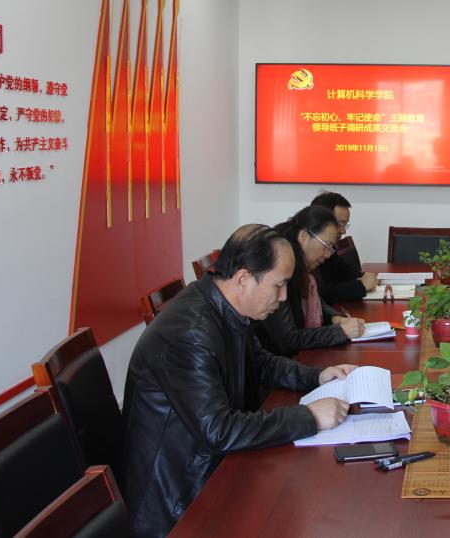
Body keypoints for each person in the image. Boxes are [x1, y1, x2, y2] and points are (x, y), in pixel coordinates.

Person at [121, 224, 357, 537]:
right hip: (180, 503)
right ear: (244, 278)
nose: (283, 297)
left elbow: (260, 362)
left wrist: (317, 376)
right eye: (279, 285)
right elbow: (218, 431)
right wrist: (308, 417)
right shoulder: (190, 333)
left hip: (213, 469)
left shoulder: (224, 306)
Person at [256, 206, 366, 356]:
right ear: (303, 236)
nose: (328, 255)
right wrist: (340, 332)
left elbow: (317, 301)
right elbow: (288, 340)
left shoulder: (304, 266)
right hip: (278, 361)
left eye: (331, 248)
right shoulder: (279, 271)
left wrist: (336, 319)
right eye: (326, 245)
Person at [310, 191, 378, 303]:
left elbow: (343, 270)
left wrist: (364, 276)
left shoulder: (329, 247)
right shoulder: (304, 252)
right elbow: (321, 294)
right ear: (320, 220)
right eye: (340, 224)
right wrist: (361, 285)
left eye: (345, 224)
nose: (343, 231)